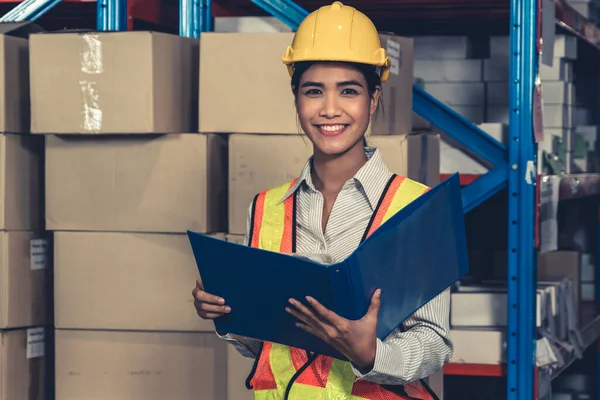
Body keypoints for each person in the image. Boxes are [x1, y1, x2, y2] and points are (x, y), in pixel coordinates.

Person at [192, 2, 453, 399]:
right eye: (314, 91)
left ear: (374, 97)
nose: (330, 109)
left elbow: (434, 342)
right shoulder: (266, 209)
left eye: (348, 90)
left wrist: (372, 354)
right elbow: (261, 347)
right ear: (296, 98)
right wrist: (226, 314)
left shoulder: (415, 209)